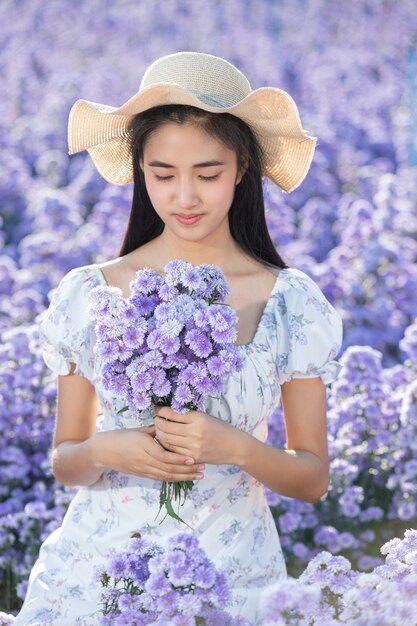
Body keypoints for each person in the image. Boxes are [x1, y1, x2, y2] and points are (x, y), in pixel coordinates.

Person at [16, 51, 343, 625]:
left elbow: (313, 476)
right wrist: (104, 450)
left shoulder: (290, 301)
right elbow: (66, 461)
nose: (184, 197)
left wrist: (235, 447)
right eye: (162, 174)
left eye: (207, 174)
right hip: (98, 579)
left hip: (233, 583)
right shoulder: (91, 293)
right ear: (140, 170)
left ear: (242, 168)